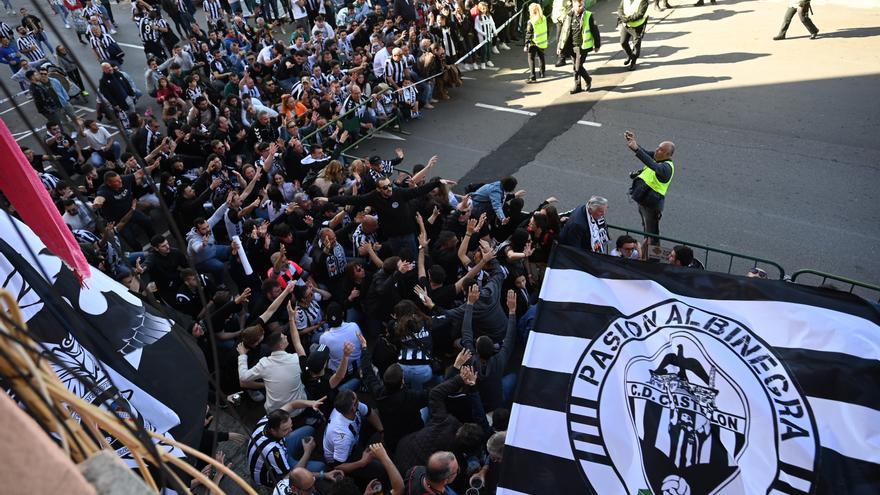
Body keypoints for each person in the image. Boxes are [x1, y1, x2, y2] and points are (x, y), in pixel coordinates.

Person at [247, 400, 328, 487]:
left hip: (281, 450)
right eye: (285, 429)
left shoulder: (267, 420)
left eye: (291, 425)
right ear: (273, 430)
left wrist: (311, 403)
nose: (291, 430)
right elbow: (289, 477)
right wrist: (307, 452)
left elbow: (292, 405)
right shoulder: (273, 451)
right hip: (273, 477)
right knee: (320, 467)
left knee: (308, 429)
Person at [624, 129, 674, 244]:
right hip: (644, 200)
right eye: (658, 147)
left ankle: (652, 257)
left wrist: (636, 149)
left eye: (661, 149)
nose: (657, 150)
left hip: (651, 206)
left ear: (667, 154)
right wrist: (634, 143)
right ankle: (647, 245)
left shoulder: (666, 168)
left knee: (652, 233)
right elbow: (645, 153)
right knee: (646, 228)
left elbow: (651, 164)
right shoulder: (659, 157)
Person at [566, 0, 601, 94]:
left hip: (583, 47)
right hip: (571, 46)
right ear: (573, 4)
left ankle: (588, 79)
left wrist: (597, 45)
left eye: (582, 5)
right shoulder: (569, 15)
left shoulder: (588, 15)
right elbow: (564, 32)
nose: (581, 7)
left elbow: (595, 31)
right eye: (579, 5)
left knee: (578, 67)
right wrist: (560, 46)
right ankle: (578, 86)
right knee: (575, 67)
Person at [617, 0, 647, 72]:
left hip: (637, 26)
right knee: (623, 42)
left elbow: (640, 13)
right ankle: (630, 55)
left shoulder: (643, 1)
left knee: (636, 45)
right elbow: (620, 9)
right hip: (626, 25)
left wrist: (628, 19)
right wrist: (622, 17)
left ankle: (633, 62)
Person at [524, 3, 548, 83]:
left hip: (533, 42)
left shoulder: (531, 21)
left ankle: (532, 76)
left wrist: (526, 44)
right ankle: (542, 72)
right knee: (541, 57)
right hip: (542, 41)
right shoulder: (543, 18)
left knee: (531, 58)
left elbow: (529, 33)